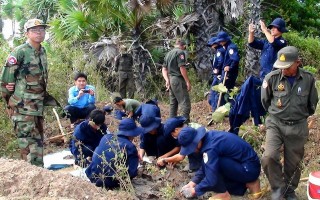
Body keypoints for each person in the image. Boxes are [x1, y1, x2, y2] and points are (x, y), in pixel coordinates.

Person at [261, 46, 319, 200]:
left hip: (298, 125)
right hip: (276, 123)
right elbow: (265, 101)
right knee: (269, 156)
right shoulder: (271, 78)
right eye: (280, 67)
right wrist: (280, 114)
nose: (283, 70)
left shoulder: (308, 79)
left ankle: (289, 190)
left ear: (297, 63)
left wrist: (299, 116)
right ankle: (278, 189)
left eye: (286, 67)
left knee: (293, 162)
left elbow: (312, 103)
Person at [0, 19, 52, 167]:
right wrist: (10, 104)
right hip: (22, 107)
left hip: (37, 106)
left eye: (41, 30)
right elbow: (5, 80)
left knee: (38, 143)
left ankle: (38, 176)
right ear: (27, 33)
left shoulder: (42, 51)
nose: (39, 33)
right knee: (28, 146)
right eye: (35, 30)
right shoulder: (20, 51)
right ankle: (30, 178)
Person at [228, 18, 288, 134]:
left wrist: (265, 30)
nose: (272, 29)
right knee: (253, 93)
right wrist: (251, 32)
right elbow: (252, 43)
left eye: (274, 27)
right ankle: (256, 121)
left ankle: (272, 124)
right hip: (263, 76)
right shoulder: (266, 42)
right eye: (271, 27)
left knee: (269, 100)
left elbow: (273, 42)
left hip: (275, 78)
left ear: (280, 30)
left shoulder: (282, 42)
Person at [178, 127, 263, 200]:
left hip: (249, 169)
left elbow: (211, 179)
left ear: (197, 141)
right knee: (211, 164)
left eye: (191, 148)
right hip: (247, 165)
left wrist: (195, 190)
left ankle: (224, 193)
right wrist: (192, 183)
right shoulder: (209, 138)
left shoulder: (210, 148)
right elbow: (205, 164)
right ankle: (247, 184)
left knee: (214, 167)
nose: (192, 151)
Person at [85, 118, 143, 188]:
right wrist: (136, 161)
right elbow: (132, 172)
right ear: (131, 133)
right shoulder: (130, 146)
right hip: (109, 182)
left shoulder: (106, 137)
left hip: (92, 175)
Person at [162, 39, 191, 123]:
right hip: (178, 79)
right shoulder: (180, 52)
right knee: (185, 103)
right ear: (184, 46)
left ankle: (171, 124)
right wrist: (187, 81)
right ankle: (185, 124)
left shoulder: (168, 54)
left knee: (173, 104)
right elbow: (182, 68)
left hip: (171, 79)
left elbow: (164, 69)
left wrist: (167, 80)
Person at [207, 36, 226, 111]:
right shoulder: (219, 51)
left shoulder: (219, 51)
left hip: (219, 75)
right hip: (219, 74)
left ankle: (215, 110)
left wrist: (217, 70)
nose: (211, 47)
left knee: (214, 92)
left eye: (212, 45)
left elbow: (220, 61)